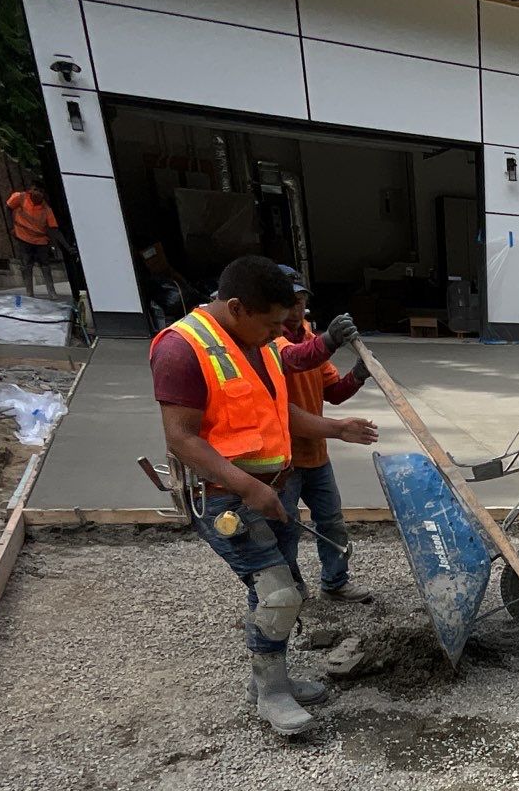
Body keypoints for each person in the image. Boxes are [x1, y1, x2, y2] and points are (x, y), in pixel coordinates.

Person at [151, 256, 375, 736]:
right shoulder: (182, 349)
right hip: (228, 498)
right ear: (237, 307)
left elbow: (279, 413)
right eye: (274, 323)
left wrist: (336, 428)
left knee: (281, 587)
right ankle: (271, 695)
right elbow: (181, 438)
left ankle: (270, 681)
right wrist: (250, 488)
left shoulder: (259, 343)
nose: (282, 332)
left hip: (275, 489)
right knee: (277, 593)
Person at [276, 268, 374, 604]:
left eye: (301, 301)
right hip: (283, 460)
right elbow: (295, 360)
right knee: (285, 528)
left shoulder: (308, 337)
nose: (296, 309)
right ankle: (290, 590)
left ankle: (335, 583)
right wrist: (330, 341)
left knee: (332, 522)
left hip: (316, 455)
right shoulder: (268, 342)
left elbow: (333, 392)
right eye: (290, 302)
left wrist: (358, 375)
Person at [5, 185, 66, 298]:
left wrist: (66, 246)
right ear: (30, 191)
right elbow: (8, 207)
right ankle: (29, 292)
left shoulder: (46, 210)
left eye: (40, 191)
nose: (37, 193)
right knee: (27, 264)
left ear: (43, 194)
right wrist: (10, 227)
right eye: (35, 190)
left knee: (45, 264)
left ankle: (51, 292)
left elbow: (54, 229)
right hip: (23, 237)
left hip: (40, 240)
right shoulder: (20, 197)